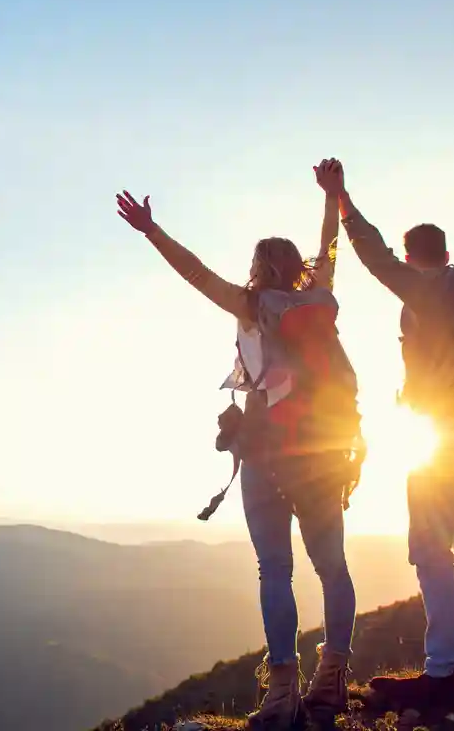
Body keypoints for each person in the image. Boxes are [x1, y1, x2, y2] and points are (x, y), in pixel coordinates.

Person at [115, 159, 364, 729]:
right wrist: (333, 196)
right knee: (333, 568)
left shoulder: (252, 305)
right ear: (295, 266)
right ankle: (333, 678)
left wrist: (152, 231)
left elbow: (196, 273)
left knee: (275, 569)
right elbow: (329, 248)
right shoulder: (320, 295)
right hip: (325, 450)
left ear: (257, 268)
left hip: (268, 453)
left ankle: (282, 692)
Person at [322, 160, 454, 719]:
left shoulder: (424, 288)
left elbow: (371, 254)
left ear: (416, 258)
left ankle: (442, 674)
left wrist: (341, 200)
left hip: (442, 440)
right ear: (450, 254)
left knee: (430, 551)